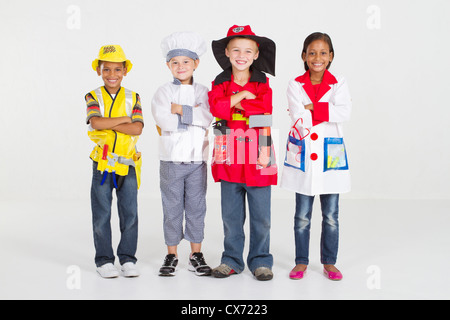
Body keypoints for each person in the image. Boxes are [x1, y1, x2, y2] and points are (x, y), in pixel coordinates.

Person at [280, 32, 352, 281]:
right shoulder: (294, 83)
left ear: (331, 56)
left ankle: (329, 262)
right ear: (304, 56)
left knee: (331, 215)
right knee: (302, 215)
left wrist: (312, 107)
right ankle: (301, 262)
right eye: (312, 52)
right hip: (304, 156)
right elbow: (298, 117)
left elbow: (344, 112)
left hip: (329, 155)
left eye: (323, 53)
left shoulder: (339, 82)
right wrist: (322, 110)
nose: (317, 57)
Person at [208, 25, 278, 281]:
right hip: (228, 148)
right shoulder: (219, 81)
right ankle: (231, 260)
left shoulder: (262, 82)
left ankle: (260, 260)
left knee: (262, 216)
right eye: (236, 49)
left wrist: (234, 102)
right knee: (231, 214)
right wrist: (244, 97)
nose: (241, 54)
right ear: (227, 52)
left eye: (248, 50)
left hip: (260, 146)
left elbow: (264, 111)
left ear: (256, 54)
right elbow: (216, 108)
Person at [151, 32, 214, 277]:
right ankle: (172, 253)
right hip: (171, 159)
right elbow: (164, 120)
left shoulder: (203, 91)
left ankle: (195, 254)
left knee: (197, 206)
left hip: (198, 159)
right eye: (175, 62)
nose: (181, 67)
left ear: (196, 63)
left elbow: (207, 118)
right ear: (168, 65)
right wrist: (191, 115)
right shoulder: (163, 92)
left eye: (186, 62)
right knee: (172, 206)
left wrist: (179, 110)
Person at [85, 45, 144, 278]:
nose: (112, 74)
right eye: (106, 69)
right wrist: (123, 120)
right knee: (102, 213)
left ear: (125, 71)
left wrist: (108, 121)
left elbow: (137, 127)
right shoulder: (93, 96)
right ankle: (104, 260)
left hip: (127, 163)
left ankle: (128, 259)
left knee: (129, 212)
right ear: (99, 70)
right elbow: (95, 123)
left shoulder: (134, 97)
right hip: (102, 164)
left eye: (117, 69)